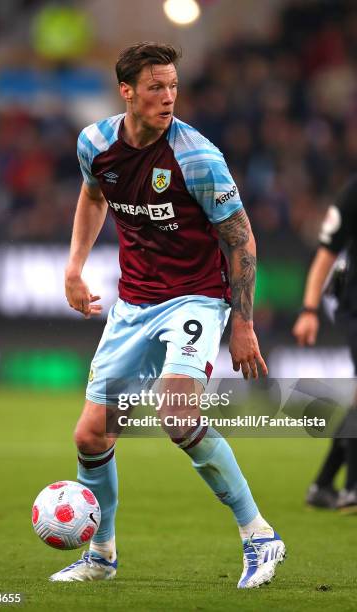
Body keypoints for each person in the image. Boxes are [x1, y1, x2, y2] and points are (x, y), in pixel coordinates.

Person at [49, 42, 285, 588]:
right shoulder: (95, 144)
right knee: (90, 436)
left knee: (176, 413)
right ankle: (101, 555)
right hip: (133, 302)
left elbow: (241, 240)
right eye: (156, 87)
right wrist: (74, 267)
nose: (168, 97)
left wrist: (243, 325)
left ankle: (260, 535)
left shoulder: (197, 156)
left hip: (195, 297)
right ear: (126, 91)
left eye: (173, 86)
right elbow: (93, 196)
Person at [293, 176, 357, 512]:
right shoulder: (353, 193)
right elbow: (326, 255)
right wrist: (309, 309)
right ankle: (351, 489)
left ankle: (324, 483)